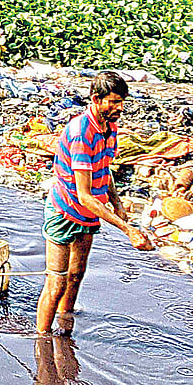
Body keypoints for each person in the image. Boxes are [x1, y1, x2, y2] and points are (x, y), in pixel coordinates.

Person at [36, 71, 153, 335]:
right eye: (112, 102)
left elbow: (103, 168)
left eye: (121, 101)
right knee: (56, 283)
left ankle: (65, 326)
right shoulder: (81, 133)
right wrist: (128, 229)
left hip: (89, 215)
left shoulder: (110, 127)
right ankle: (42, 342)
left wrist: (116, 201)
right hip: (64, 211)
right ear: (95, 99)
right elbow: (84, 195)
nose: (119, 108)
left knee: (76, 274)